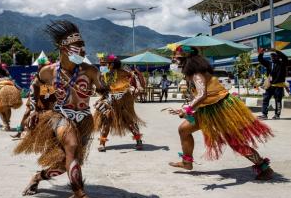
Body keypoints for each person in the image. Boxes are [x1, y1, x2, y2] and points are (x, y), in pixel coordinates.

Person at [14, 20, 110, 198]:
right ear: (64, 49)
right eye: (78, 47)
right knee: (72, 147)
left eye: (84, 47)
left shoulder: (90, 71)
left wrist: (106, 101)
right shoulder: (48, 72)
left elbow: (104, 91)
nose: (83, 51)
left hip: (84, 119)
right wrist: (34, 109)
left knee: (68, 162)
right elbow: (37, 90)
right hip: (60, 115)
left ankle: (37, 177)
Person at [167, 46, 274, 180]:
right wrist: (188, 108)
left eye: (177, 59)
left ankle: (264, 168)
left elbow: (202, 94)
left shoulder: (196, 73)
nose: (175, 61)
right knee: (184, 130)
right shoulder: (193, 73)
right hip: (206, 110)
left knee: (235, 142)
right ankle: (187, 162)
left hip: (221, 109)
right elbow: (200, 97)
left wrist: (186, 109)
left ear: (186, 59)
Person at [94, 55, 145, 152]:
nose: (103, 66)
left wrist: (137, 86)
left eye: (105, 64)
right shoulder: (103, 73)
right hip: (110, 99)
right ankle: (102, 143)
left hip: (123, 100)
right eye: (102, 64)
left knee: (129, 121)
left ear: (112, 64)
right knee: (106, 121)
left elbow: (133, 76)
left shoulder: (123, 72)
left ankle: (138, 140)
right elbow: (101, 87)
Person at [12, 57, 55, 138]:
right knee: (27, 112)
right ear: (39, 65)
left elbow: (51, 87)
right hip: (36, 97)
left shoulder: (50, 75)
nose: (45, 67)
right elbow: (33, 88)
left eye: (46, 65)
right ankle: (20, 131)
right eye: (43, 65)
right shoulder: (37, 75)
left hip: (47, 97)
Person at [0, 64, 22, 131]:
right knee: (8, 108)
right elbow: (16, 86)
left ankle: (6, 125)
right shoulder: (8, 78)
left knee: (0, 109)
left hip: (3, 91)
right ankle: (7, 123)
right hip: (13, 90)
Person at [258, 48, 288, 120]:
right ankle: (264, 114)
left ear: (278, 57)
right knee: (265, 99)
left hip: (278, 86)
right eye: (271, 56)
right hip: (270, 85)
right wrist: (261, 53)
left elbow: (285, 57)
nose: (272, 58)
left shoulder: (282, 64)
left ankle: (277, 115)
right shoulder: (269, 63)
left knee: (278, 101)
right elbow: (261, 60)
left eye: (274, 56)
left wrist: (275, 50)